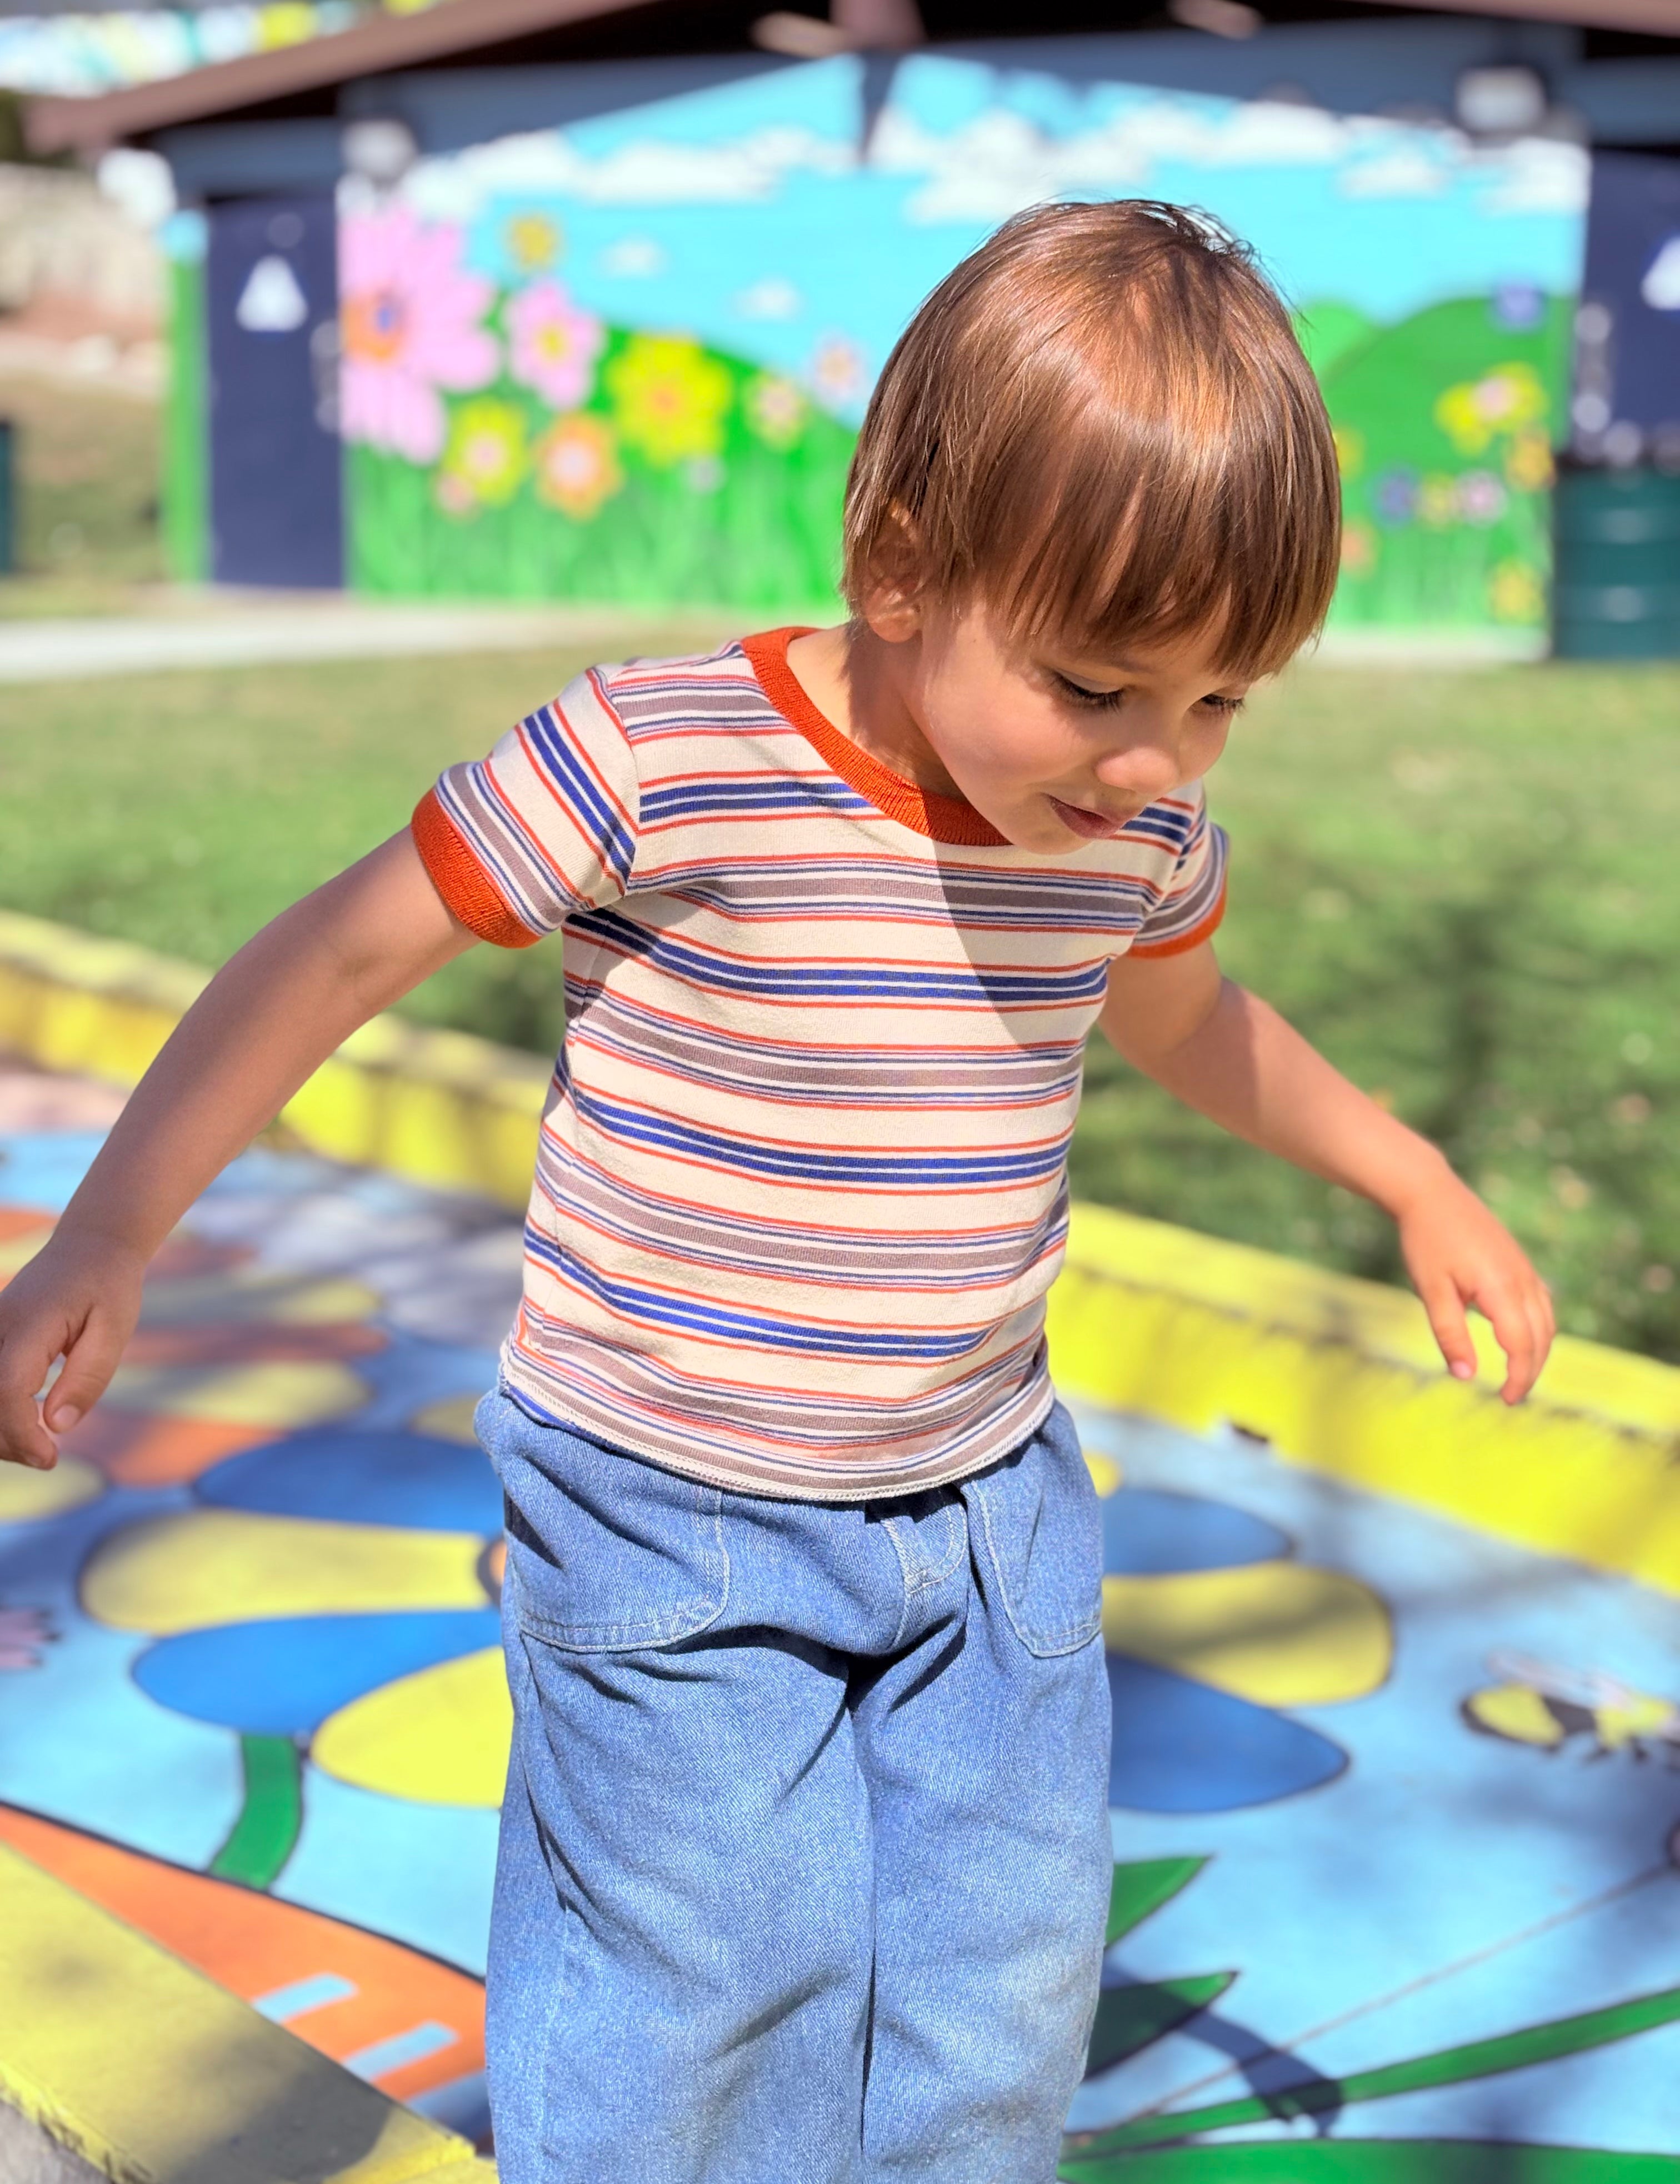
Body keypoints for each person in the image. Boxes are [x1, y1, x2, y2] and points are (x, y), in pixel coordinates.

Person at [0, 201, 1553, 2182]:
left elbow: (1196, 1021)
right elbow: (339, 950)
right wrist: (116, 1226)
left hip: (986, 1510)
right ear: (901, 566)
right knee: (703, 1998)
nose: (1159, 762)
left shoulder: (1118, 835)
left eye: (1222, 701)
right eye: (1098, 686)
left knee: (999, 1997)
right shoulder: (659, 760)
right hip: (667, 1509)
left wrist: (1407, 1171)